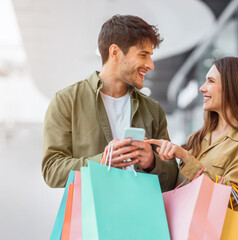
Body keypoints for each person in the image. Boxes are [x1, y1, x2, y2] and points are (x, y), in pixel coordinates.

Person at [42, 14, 178, 190]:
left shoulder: (153, 110)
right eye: (143, 55)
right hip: (89, 215)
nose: (151, 65)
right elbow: (52, 170)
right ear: (115, 52)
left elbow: (174, 179)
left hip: (141, 215)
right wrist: (102, 162)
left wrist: (152, 163)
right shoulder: (66, 102)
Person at [147, 57, 238, 204]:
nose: (202, 88)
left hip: (220, 227)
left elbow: (232, 197)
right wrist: (151, 161)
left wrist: (186, 158)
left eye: (211, 81)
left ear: (233, 87)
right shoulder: (197, 138)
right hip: (185, 225)